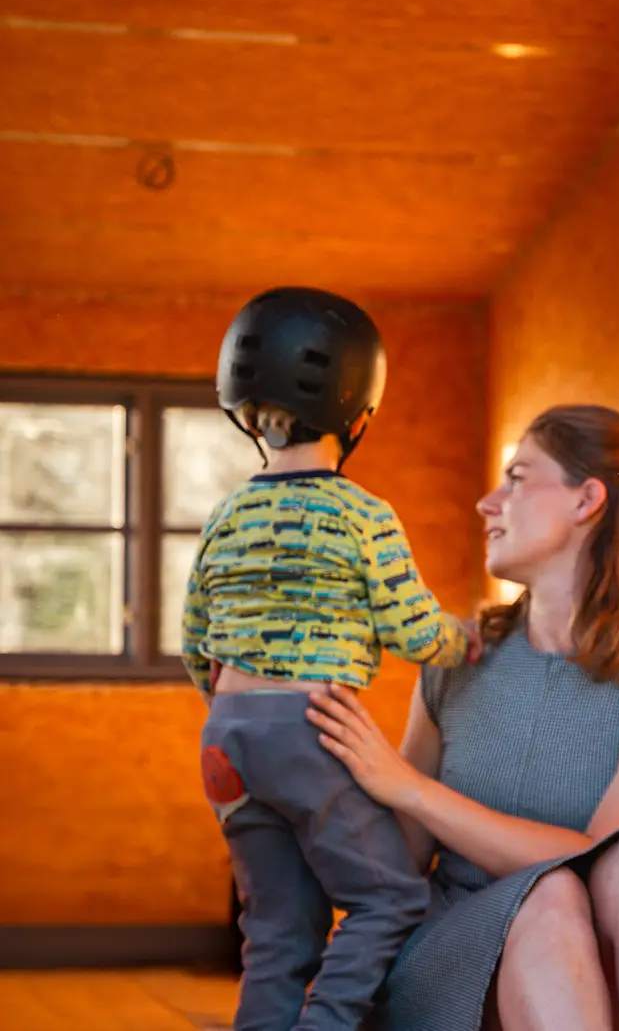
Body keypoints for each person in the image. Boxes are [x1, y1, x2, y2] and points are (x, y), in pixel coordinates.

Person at [306, 403, 619, 1031]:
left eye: (517, 477)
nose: (488, 502)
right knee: (552, 891)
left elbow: (602, 860)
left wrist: (414, 790)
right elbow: (396, 861)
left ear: (586, 500)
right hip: (450, 946)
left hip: (598, 954)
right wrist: (311, 791)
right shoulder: (456, 660)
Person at [181, 286, 479, 1031]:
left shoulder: (225, 516)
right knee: (388, 896)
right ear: (361, 413)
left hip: (226, 743)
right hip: (309, 729)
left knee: (276, 932)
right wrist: (469, 638)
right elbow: (414, 631)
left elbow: (195, 642)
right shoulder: (361, 514)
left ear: (242, 406)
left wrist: (236, 708)